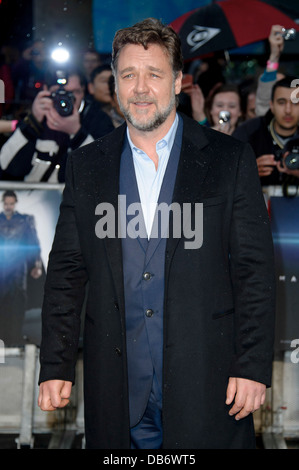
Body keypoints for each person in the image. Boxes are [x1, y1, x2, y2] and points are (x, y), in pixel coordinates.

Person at [37, 18, 275, 449]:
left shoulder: (229, 159)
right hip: (117, 386)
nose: (141, 88)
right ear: (115, 84)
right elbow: (66, 273)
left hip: (210, 383)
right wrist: (55, 365)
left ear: (179, 81)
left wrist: (254, 365)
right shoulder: (87, 166)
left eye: (154, 74)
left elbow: (254, 273)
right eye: (129, 74)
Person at [0, 68, 114, 182]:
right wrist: (32, 122)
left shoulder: (97, 120)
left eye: (74, 92)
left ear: (83, 92)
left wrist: (77, 133)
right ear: (45, 91)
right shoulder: (36, 119)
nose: (66, 99)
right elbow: (6, 166)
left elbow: (104, 172)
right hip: (29, 196)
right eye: (59, 93)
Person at [233, 76, 299, 186]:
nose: (288, 110)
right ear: (271, 106)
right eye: (281, 102)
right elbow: (224, 178)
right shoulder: (249, 132)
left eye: (296, 103)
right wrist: (248, 172)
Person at [0, 190, 42, 346]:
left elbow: (33, 244)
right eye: (6, 203)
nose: (9, 206)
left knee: (17, 306)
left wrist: (36, 265)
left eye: (11, 203)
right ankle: (3, 341)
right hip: (2, 270)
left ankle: (15, 340)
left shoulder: (24, 221)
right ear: (3, 203)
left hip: (18, 270)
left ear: (15, 203)